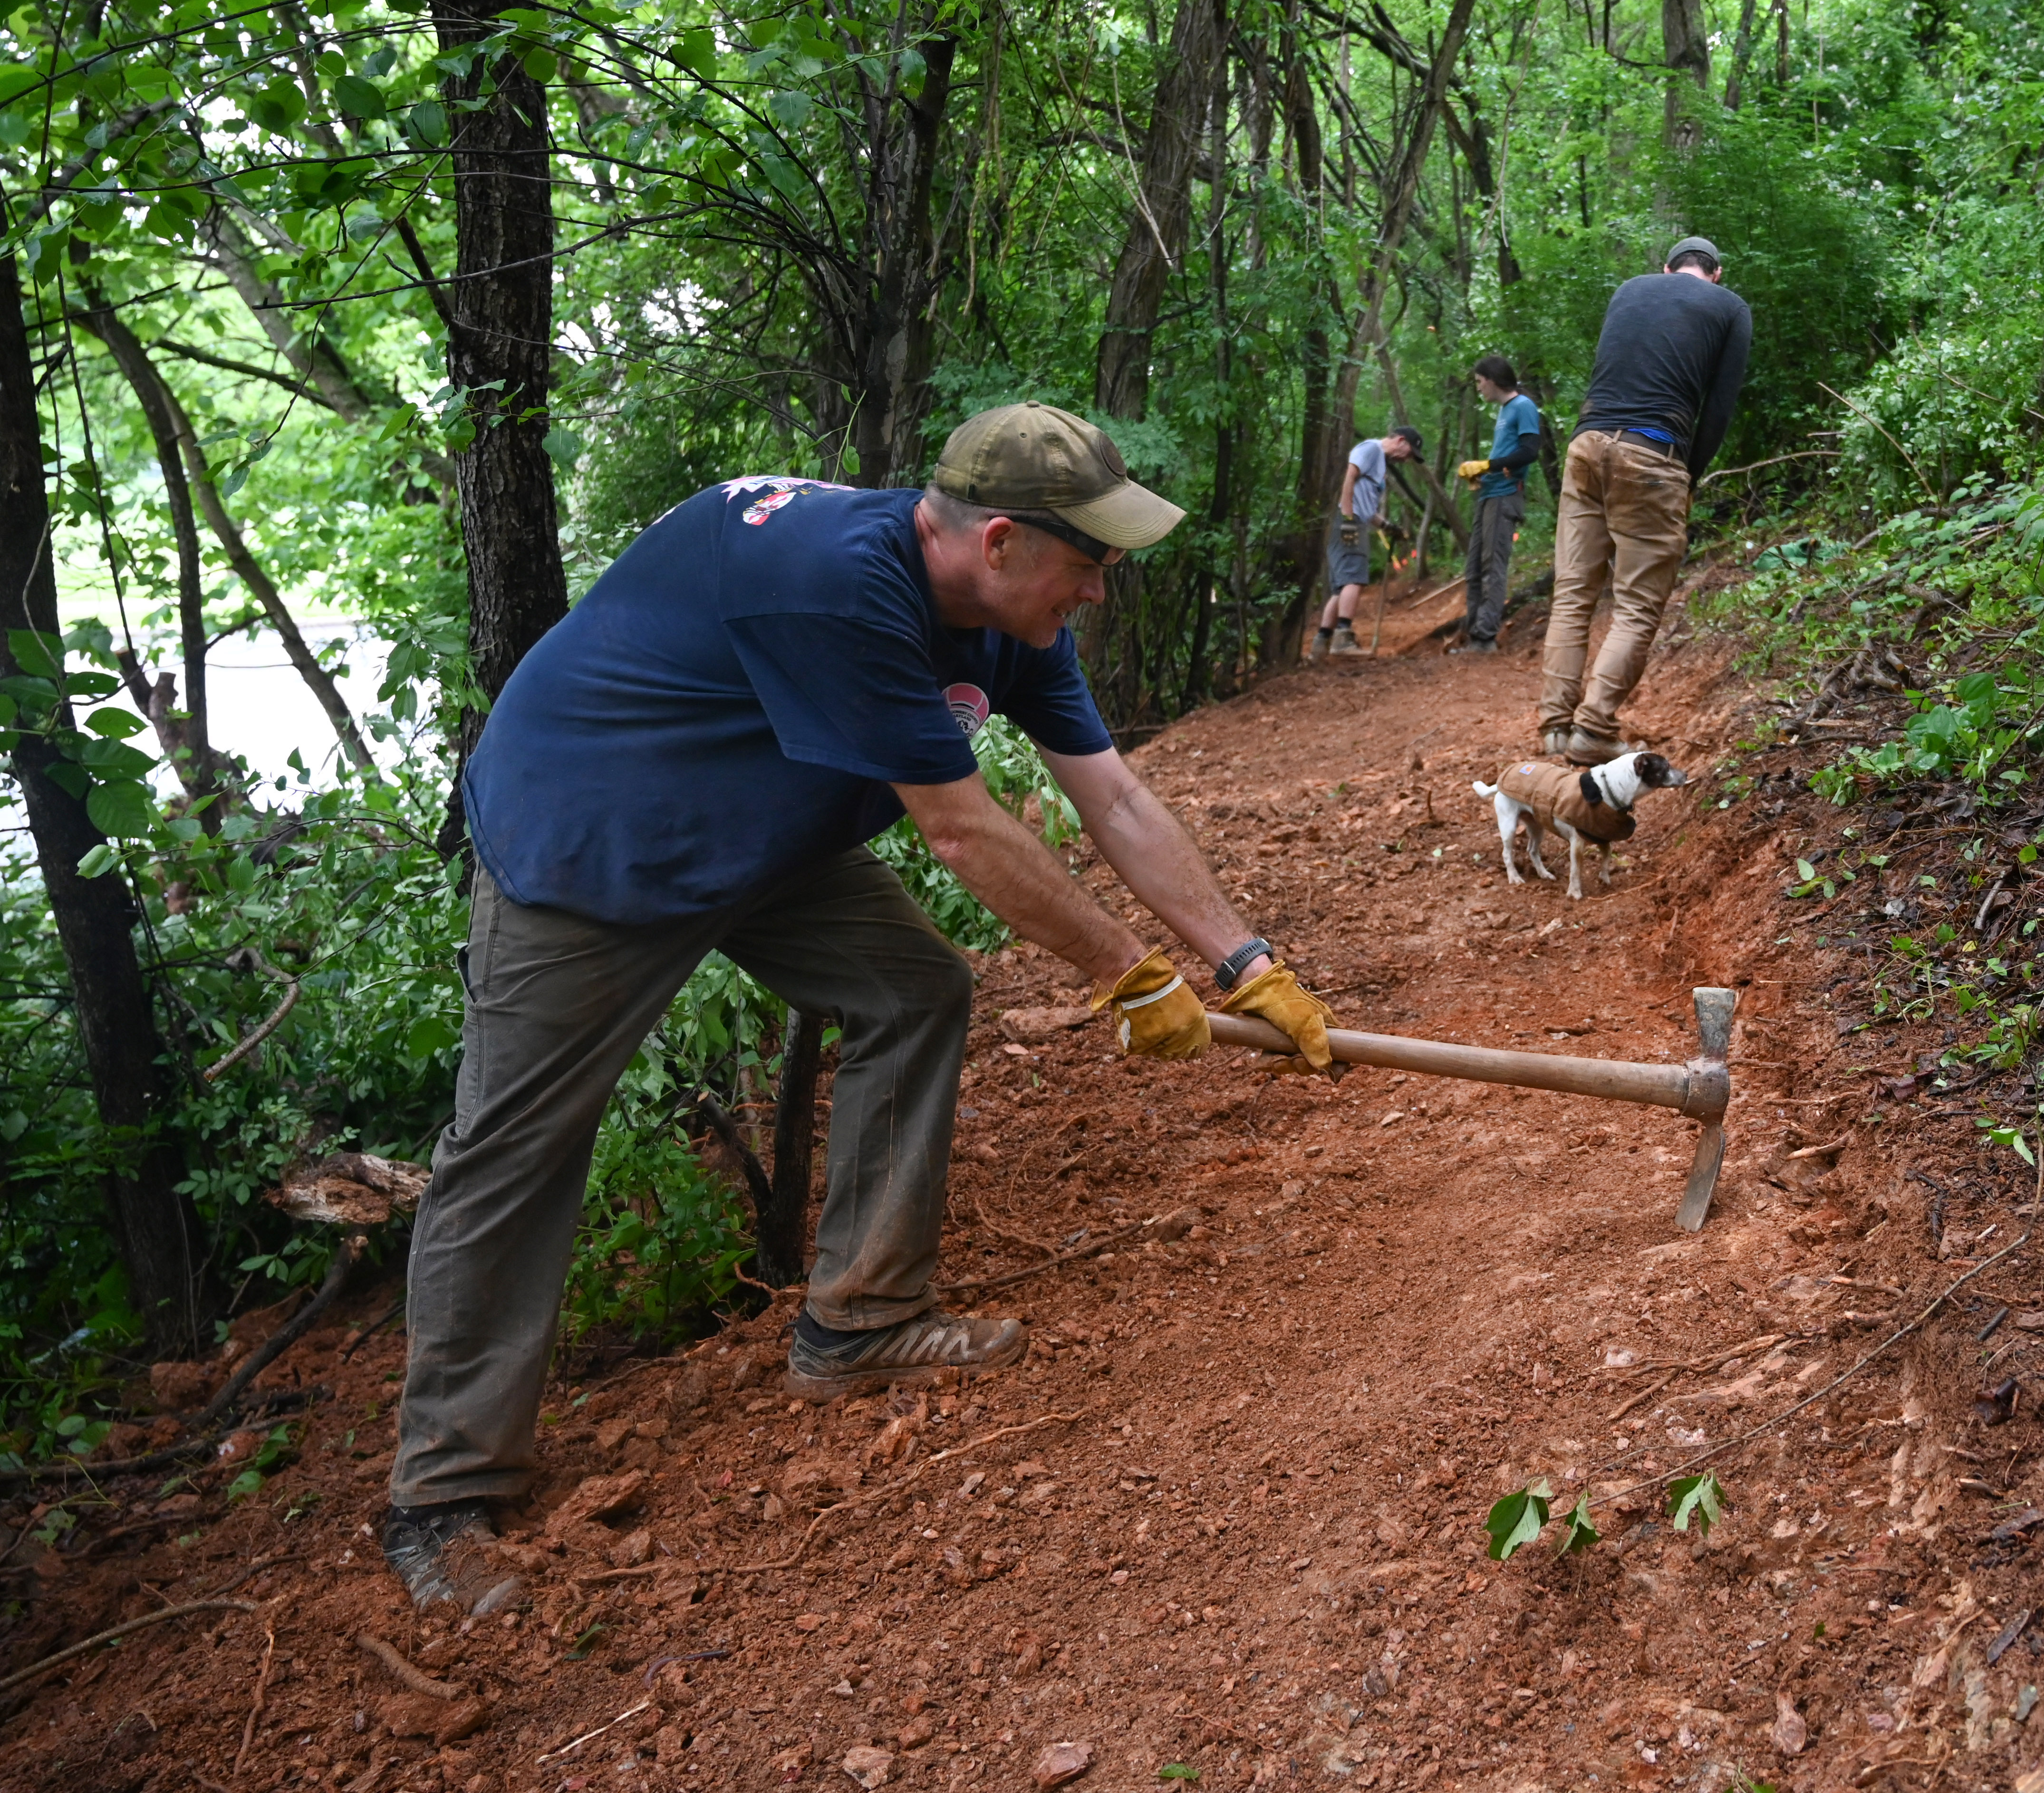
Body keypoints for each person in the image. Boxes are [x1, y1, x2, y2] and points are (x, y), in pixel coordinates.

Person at [382, 403, 1339, 1617]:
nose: (1100, 590)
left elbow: (1113, 794)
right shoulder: (840, 588)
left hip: (762, 827)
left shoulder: (1013, 617)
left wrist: (1240, 957)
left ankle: (861, 1317)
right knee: (514, 1145)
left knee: (915, 988)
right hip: (596, 838)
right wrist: (1126, 971)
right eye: (1089, 562)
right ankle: (442, 1495)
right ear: (1000, 542)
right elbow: (958, 825)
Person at [1539, 236, 1751, 760]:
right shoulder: (1730, 307)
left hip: (1586, 445)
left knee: (1572, 595)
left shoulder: (1630, 289)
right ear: (1717, 273)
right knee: (1635, 607)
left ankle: (1553, 730)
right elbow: (1718, 408)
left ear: (1667, 267)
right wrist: (1690, 473)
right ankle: (1592, 731)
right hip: (1652, 454)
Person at [1451, 355, 1541, 655]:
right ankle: (1474, 632)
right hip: (1490, 494)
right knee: (1474, 567)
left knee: (1493, 566)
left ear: (1491, 379)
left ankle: (1485, 638)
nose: (1479, 388)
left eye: (1479, 382)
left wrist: (1489, 465)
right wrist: (1481, 473)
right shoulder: (1505, 411)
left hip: (1506, 495)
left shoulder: (1523, 406)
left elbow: (1530, 451)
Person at [1314, 423, 1421, 656]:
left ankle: (1321, 644)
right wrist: (1349, 517)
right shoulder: (1371, 449)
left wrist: (1386, 526)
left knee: (1342, 587)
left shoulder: (1379, 463)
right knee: (1355, 578)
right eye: (1410, 453)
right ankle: (1343, 639)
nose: (1408, 459)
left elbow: (1368, 506)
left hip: (1352, 519)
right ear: (1401, 441)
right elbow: (1350, 476)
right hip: (1348, 520)